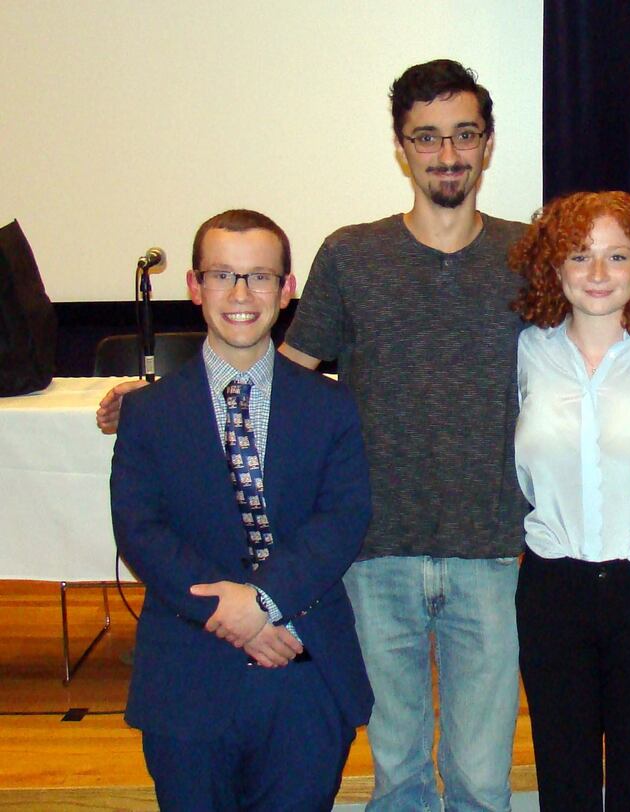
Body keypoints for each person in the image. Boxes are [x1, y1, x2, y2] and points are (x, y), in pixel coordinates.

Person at [97, 60, 525, 810]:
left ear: (488, 144)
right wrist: (164, 400)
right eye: (427, 137)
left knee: (484, 783)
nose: (447, 153)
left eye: (464, 135)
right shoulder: (352, 255)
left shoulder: (529, 258)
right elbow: (273, 368)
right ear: (402, 148)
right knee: (396, 777)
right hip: (373, 559)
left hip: (491, 551)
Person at [110, 209, 373, 811]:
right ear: (194, 287)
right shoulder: (149, 413)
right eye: (223, 275)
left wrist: (259, 603)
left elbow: (341, 522)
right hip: (187, 671)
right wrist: (230, 611)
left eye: (259, 277)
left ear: (286, 291)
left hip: (303, 666)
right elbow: (140, 530)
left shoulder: (332, 406)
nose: (240, 294)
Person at [507, 191, 630, 810]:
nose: (597, 275)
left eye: (616, 257)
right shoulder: (526, 352)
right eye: (579, 256)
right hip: (551, 591)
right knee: (563, 779)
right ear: (554, 267)